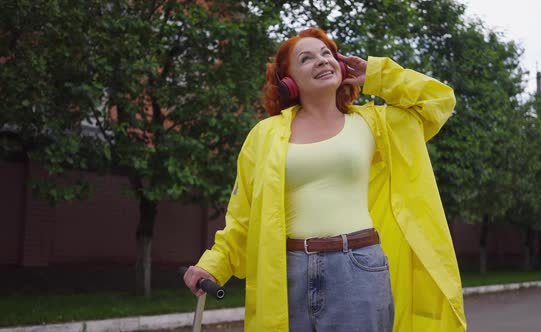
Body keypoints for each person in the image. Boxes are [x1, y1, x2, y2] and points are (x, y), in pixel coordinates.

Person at [184, 27, 466, 332]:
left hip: (358, 267)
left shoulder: (375, 124)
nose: (321, 61)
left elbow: (439, 100)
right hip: (286, 271)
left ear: (341, 66)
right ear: (288, 80)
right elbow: (243, 218)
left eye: (327, 54)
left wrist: (377, 75)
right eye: (306, 58)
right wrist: (213, 265)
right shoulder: (264, 136)